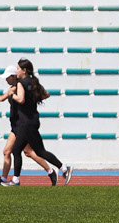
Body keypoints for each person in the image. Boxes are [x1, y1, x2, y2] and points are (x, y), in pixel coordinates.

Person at [10, 58, 74, 187]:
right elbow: (46, 94)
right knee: (16, 150)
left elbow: (21, 99)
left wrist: (12, 95)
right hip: (32, 120)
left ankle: (64, 169)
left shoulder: (21, 83)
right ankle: (15, 180)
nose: (16, 71)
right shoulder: (34, 81)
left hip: (26, 122)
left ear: (24, 70)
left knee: (39, 151)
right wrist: (33, 99)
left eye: (17, 69)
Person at [0, 65, 52, 186]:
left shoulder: (21, 87)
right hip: (15, 125)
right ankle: (4, 179)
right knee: (8, 151)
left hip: (22, 124)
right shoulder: (12, 88)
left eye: (8, 77)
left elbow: (41, 95)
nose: (6, 80)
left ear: (13, 76)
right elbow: (2, 98)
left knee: (28, 151)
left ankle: (50, 171)